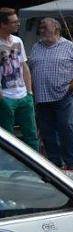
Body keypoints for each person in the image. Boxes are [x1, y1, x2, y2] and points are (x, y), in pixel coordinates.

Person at [29, 18, 73, 169]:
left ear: (56, 28)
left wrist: (72, 85)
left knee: (65, 127)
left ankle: (71, 162)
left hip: (63, 95)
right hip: (41, 96)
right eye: (40, 27)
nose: (41, 30)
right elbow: (30, 69)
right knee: (47, 130)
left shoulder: (69, 46)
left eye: (44, 27)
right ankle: (54, 162)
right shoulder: (36, 47)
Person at [0, 8, 39, 151]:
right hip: (6, 96)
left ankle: (35, 162)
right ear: (3, 24)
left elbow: (24, 66)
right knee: (7, 137)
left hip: (23, 94)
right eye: (14, 22)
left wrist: (29, 92)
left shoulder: (18, 40)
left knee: (31, 134)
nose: (18, 24)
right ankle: (7, 163)